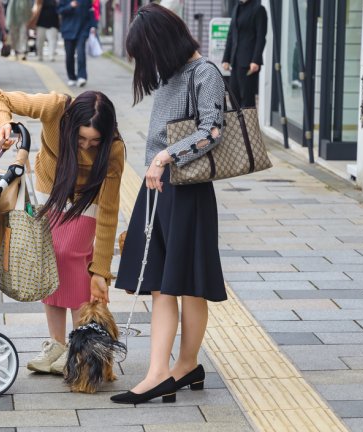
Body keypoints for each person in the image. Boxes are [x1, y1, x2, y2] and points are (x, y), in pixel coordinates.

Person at [112, 3, 226, 404]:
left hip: (188, 191)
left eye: (147, 51)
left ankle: (187, 364)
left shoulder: (204, 72)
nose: (146, 61)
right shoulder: (172, 74)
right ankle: (159, 371)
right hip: (157, 189)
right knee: (161, 285)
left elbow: (213, 129)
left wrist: (165, 157)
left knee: (190, 285)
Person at [0, 89, 125, 375]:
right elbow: (0, 96)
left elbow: (110, 211)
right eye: (80, 138)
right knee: (48, 259)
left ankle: (80, 345)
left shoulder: (113, 150)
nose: (87, 146)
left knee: (71, 255)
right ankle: (57, 345)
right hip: (49, 190)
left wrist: (101, 270)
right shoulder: (55, 107)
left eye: (94, 141)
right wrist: (4, 122)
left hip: (87, 200)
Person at [222, 0, 267, 107]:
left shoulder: (259, 9)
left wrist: (256, 60)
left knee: (247, 99)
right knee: (233, 96)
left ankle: (248, 123)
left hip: (249, 63)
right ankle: (239, 123)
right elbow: (231, 35)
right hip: (236, 61)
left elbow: (261, 38)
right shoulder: (236, 8)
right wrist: (226, 58)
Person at [58, 0, 96, 87]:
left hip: (82, 30)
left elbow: (91, 11)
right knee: (69, 55)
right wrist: (70, 6)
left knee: (81, 52)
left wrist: (93, 26)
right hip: (68, 30)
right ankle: (71, 77)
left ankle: (82, 76)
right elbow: (59, 10)